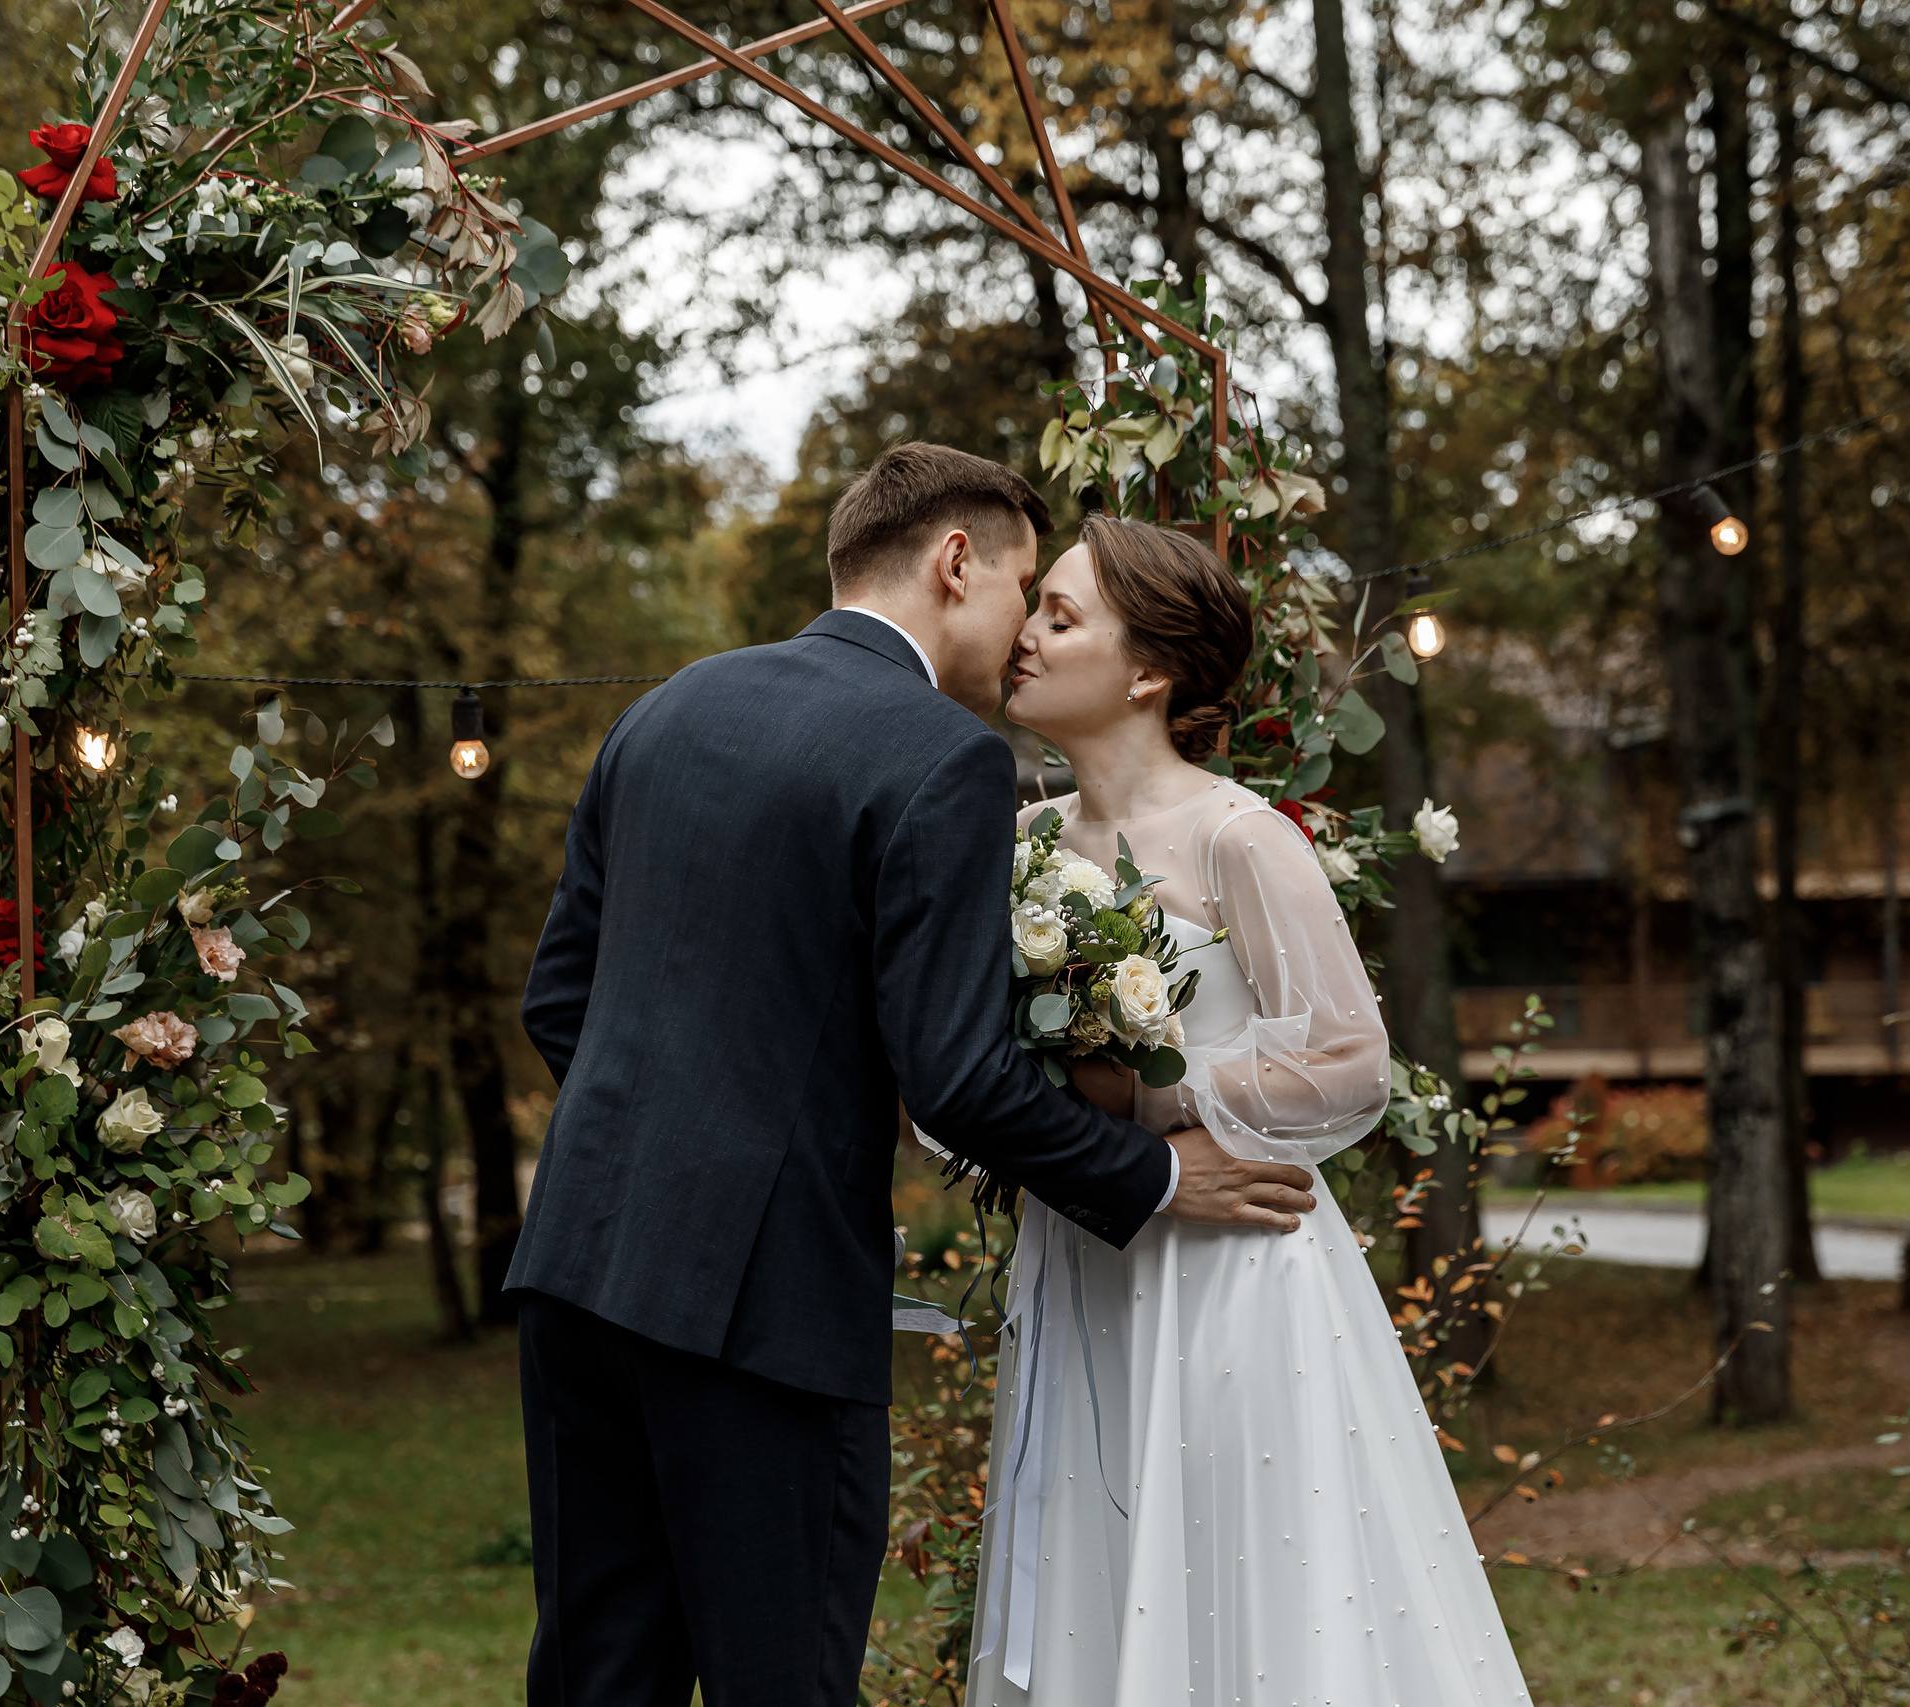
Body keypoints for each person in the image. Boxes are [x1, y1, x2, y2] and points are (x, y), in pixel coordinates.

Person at [506, 444, 1320, 1707]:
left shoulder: (667, 707)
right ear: (955, 564)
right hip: (761, 1311)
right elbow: (957, 1079)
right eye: (1022, 597)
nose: (1022, 640)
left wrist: (679, 1138)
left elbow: (559, 997)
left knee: (596, 1676)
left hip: (573, 1267)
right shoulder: (937, 756)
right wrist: (1156, 1174)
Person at [964, 514, 1534, 1705]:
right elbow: (958, 1071)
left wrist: (1145, 1086)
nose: (1024, 636)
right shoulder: (1014, 847)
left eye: (1059, 617)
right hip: (1081, 1257)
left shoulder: (1239, 838)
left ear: (1147, 672)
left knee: (1247, 1592)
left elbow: (1346, 1062)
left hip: (1232, 1268)